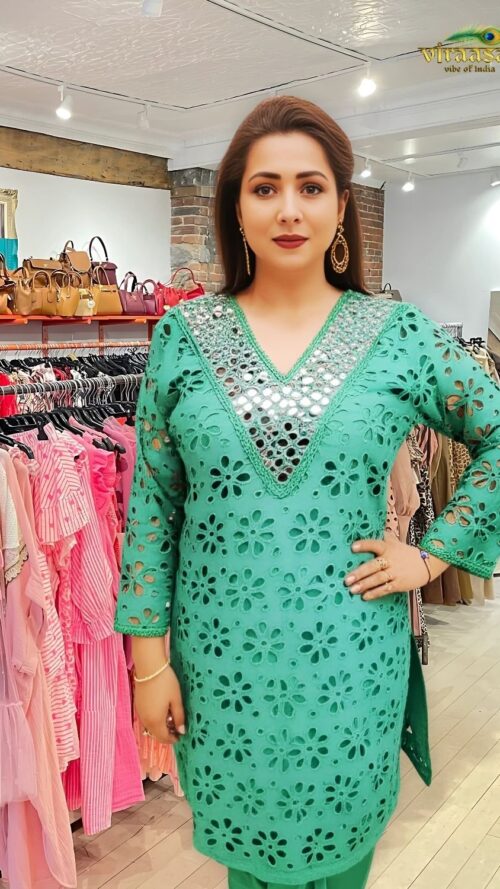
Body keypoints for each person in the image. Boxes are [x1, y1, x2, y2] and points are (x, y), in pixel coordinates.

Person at [114, 95, 500, 889]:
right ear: (237, 207)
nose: (288, 209)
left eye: (310, 186)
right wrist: (148, 662)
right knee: (247, 869)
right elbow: (152, 505)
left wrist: (431, 557)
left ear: (340, 205)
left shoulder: (396, 336)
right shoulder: (183, 339)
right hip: (222, 670)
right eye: (265, 188)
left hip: (350, 663)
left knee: (342, 861)